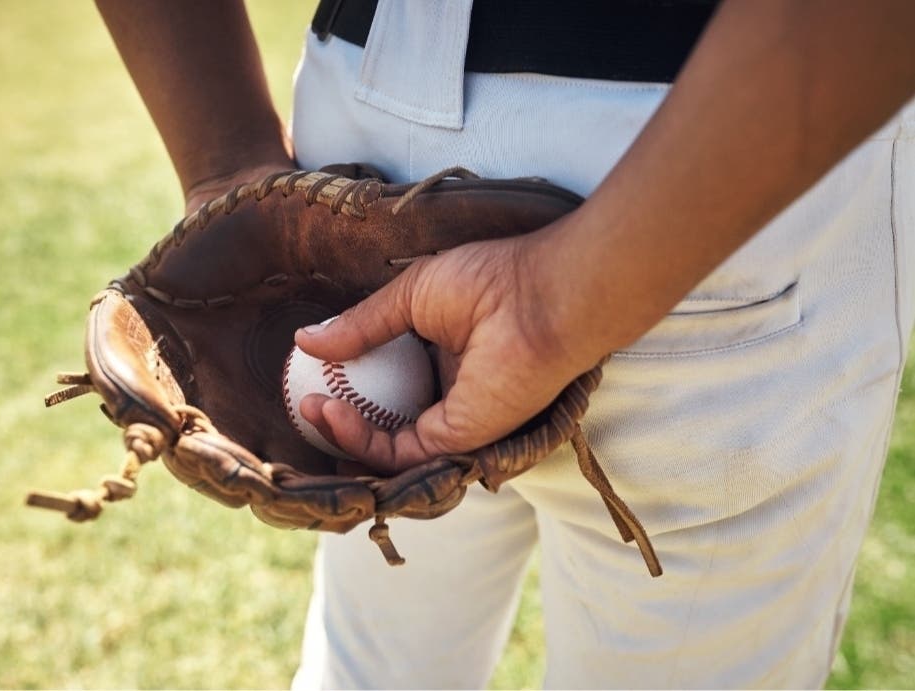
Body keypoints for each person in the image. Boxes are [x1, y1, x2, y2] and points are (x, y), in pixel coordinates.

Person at [95, 0, 915, 687]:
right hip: (694, 160)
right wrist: (552, 311)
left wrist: (224, 154)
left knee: (370, 669)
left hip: (367, 131)